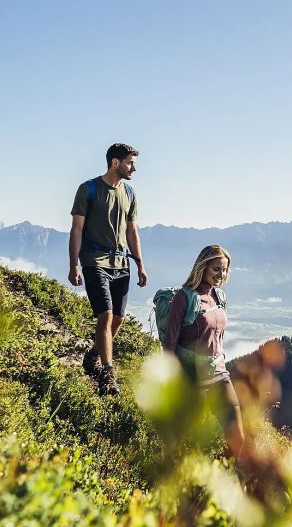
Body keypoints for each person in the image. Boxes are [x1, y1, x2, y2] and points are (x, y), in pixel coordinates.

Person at [68, 143, 148, 395]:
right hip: (94, 261)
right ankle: (108, 373)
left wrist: (140, 264)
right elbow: (76, 229)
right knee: (105, 315)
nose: (133, 168)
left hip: (121, 264)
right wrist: (74, 265)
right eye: (130, 163)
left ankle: (93, 354)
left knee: (119, 319)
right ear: (115, 162)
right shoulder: (88, 189)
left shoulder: (130, 193)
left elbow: (132, 231)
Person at [163, 245, 245, 456]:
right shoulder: (185, 297)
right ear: (203, 267)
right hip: (192, 377)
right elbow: (170, 342)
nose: (221, 274)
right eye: (216, 269)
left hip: (219, 373)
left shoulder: (220, 297)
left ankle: (221, 482)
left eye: (225, 270)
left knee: (237, 438)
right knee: (186, 440)